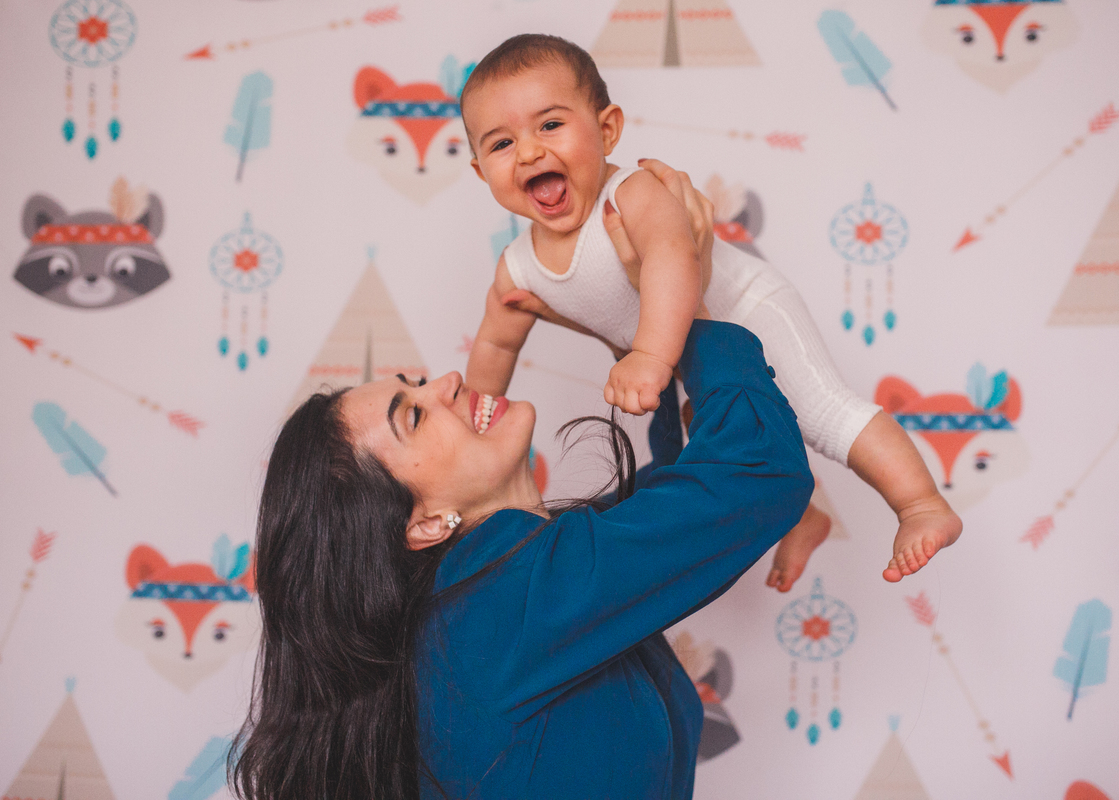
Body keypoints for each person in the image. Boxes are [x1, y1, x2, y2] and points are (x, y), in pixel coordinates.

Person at [231, 169, 813, 798]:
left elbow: (670, 504)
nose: (448, 381)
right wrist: (683, 295)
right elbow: (758, 472)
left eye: (417, 381)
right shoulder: (503, 608)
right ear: (423, 523)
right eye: (416, 416)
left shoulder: (494, 595)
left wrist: (654, 324)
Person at [460, 34, 961, 588]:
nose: (529, 152)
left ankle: (920, 503)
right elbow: (496, 344)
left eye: (550, 125)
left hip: (745, 311)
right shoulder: (519, 267)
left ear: (607, 131)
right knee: (731, 445)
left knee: (820, 412)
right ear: (482, 171)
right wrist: (474, 424)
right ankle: (802, 517)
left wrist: (649, 355)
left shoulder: (630, 193)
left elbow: (675, 256)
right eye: (501, 144)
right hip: (690, 355)